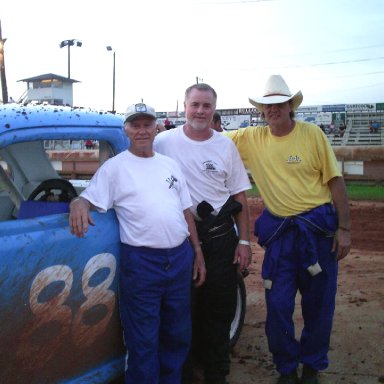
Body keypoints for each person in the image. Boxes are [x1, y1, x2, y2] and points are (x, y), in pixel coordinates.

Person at [226, 75, 351, 384]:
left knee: (319, 305)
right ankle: (286, 368)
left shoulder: (312, 135)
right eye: (267, 106)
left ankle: (311, 365)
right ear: (261, 110)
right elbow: (208, 142)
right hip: (282, 235)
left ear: (289, 106)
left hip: (317, 233)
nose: (273, 110)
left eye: (279, 104)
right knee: (278, 305)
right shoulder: (252, 138)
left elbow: (335, 181)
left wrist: (345, 228)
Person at [68, 102, 206, 384]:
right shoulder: (114, 168)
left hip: (179, 258)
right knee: (143, 338)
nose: (142, 130)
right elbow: (88, 198)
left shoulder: (170, 165)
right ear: (127, 130)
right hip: (143, 262)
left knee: (177, 333)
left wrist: (197, 251)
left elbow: (184, 212)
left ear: (156, 128)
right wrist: (76, 202)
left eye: (147, 124)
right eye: (135, 125)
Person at [154, 83, 252, 384]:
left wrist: (245, 241)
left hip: (221, 238)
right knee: (182, 310)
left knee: (219, 309)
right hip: (179, 240)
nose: (200, 111)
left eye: (206, 106)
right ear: (184, 106)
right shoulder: (162, 142)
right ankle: (183, 373)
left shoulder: (225, 146)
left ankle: (215, 373)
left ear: (214, 109)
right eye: (195, 104)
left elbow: (239, 198)